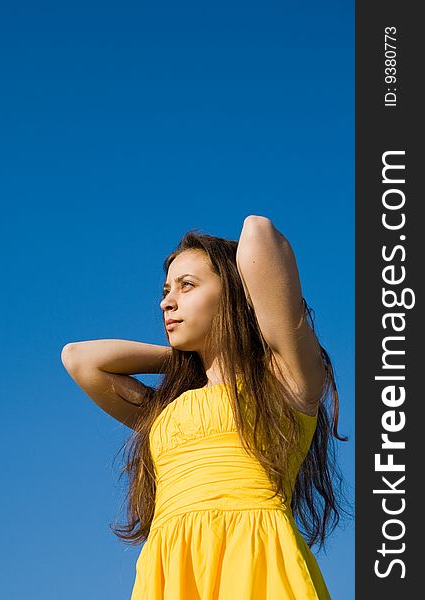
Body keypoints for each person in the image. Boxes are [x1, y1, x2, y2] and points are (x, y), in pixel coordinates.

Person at [61, 215, 350, 599]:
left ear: (232, 293)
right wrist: (186, 361)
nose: (167, 301)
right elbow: (79, 359)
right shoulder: (165, 411)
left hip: (255, 563)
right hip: (172, 571)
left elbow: (258, 233)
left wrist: (234, 344)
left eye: (187, 286)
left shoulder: (286, 383)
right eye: (166, 290)